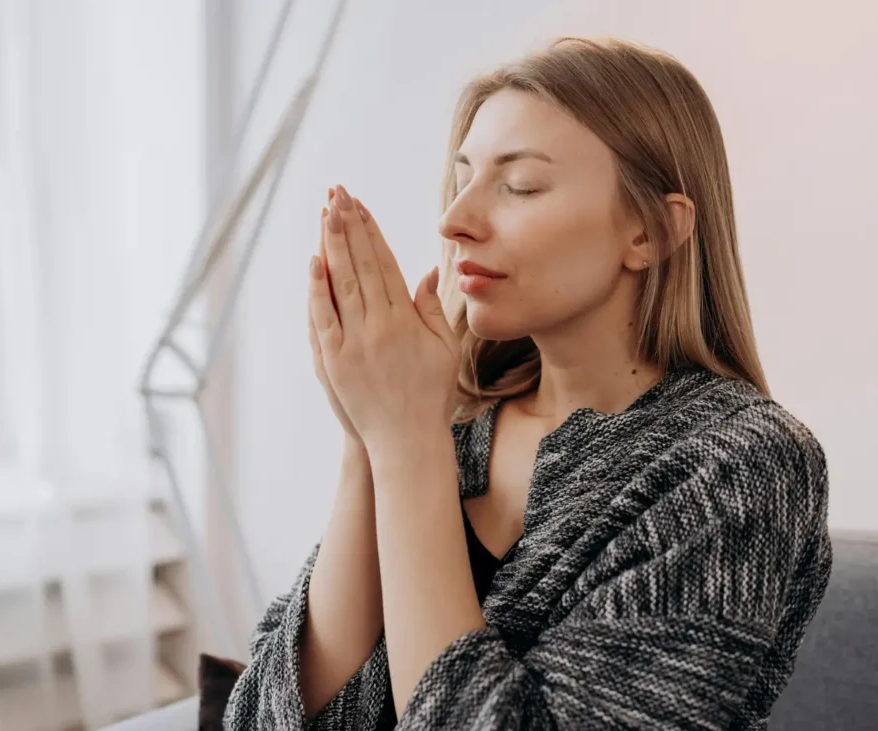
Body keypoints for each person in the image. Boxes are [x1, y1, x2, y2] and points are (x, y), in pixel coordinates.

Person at [222, 36, 831, 730]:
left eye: (520, 186)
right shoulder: (451, 418)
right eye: (461, 181)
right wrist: (368, 436)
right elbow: (262, 719)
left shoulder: (742, 464)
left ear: (652, 231)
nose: (454, 221)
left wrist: (406, 444)